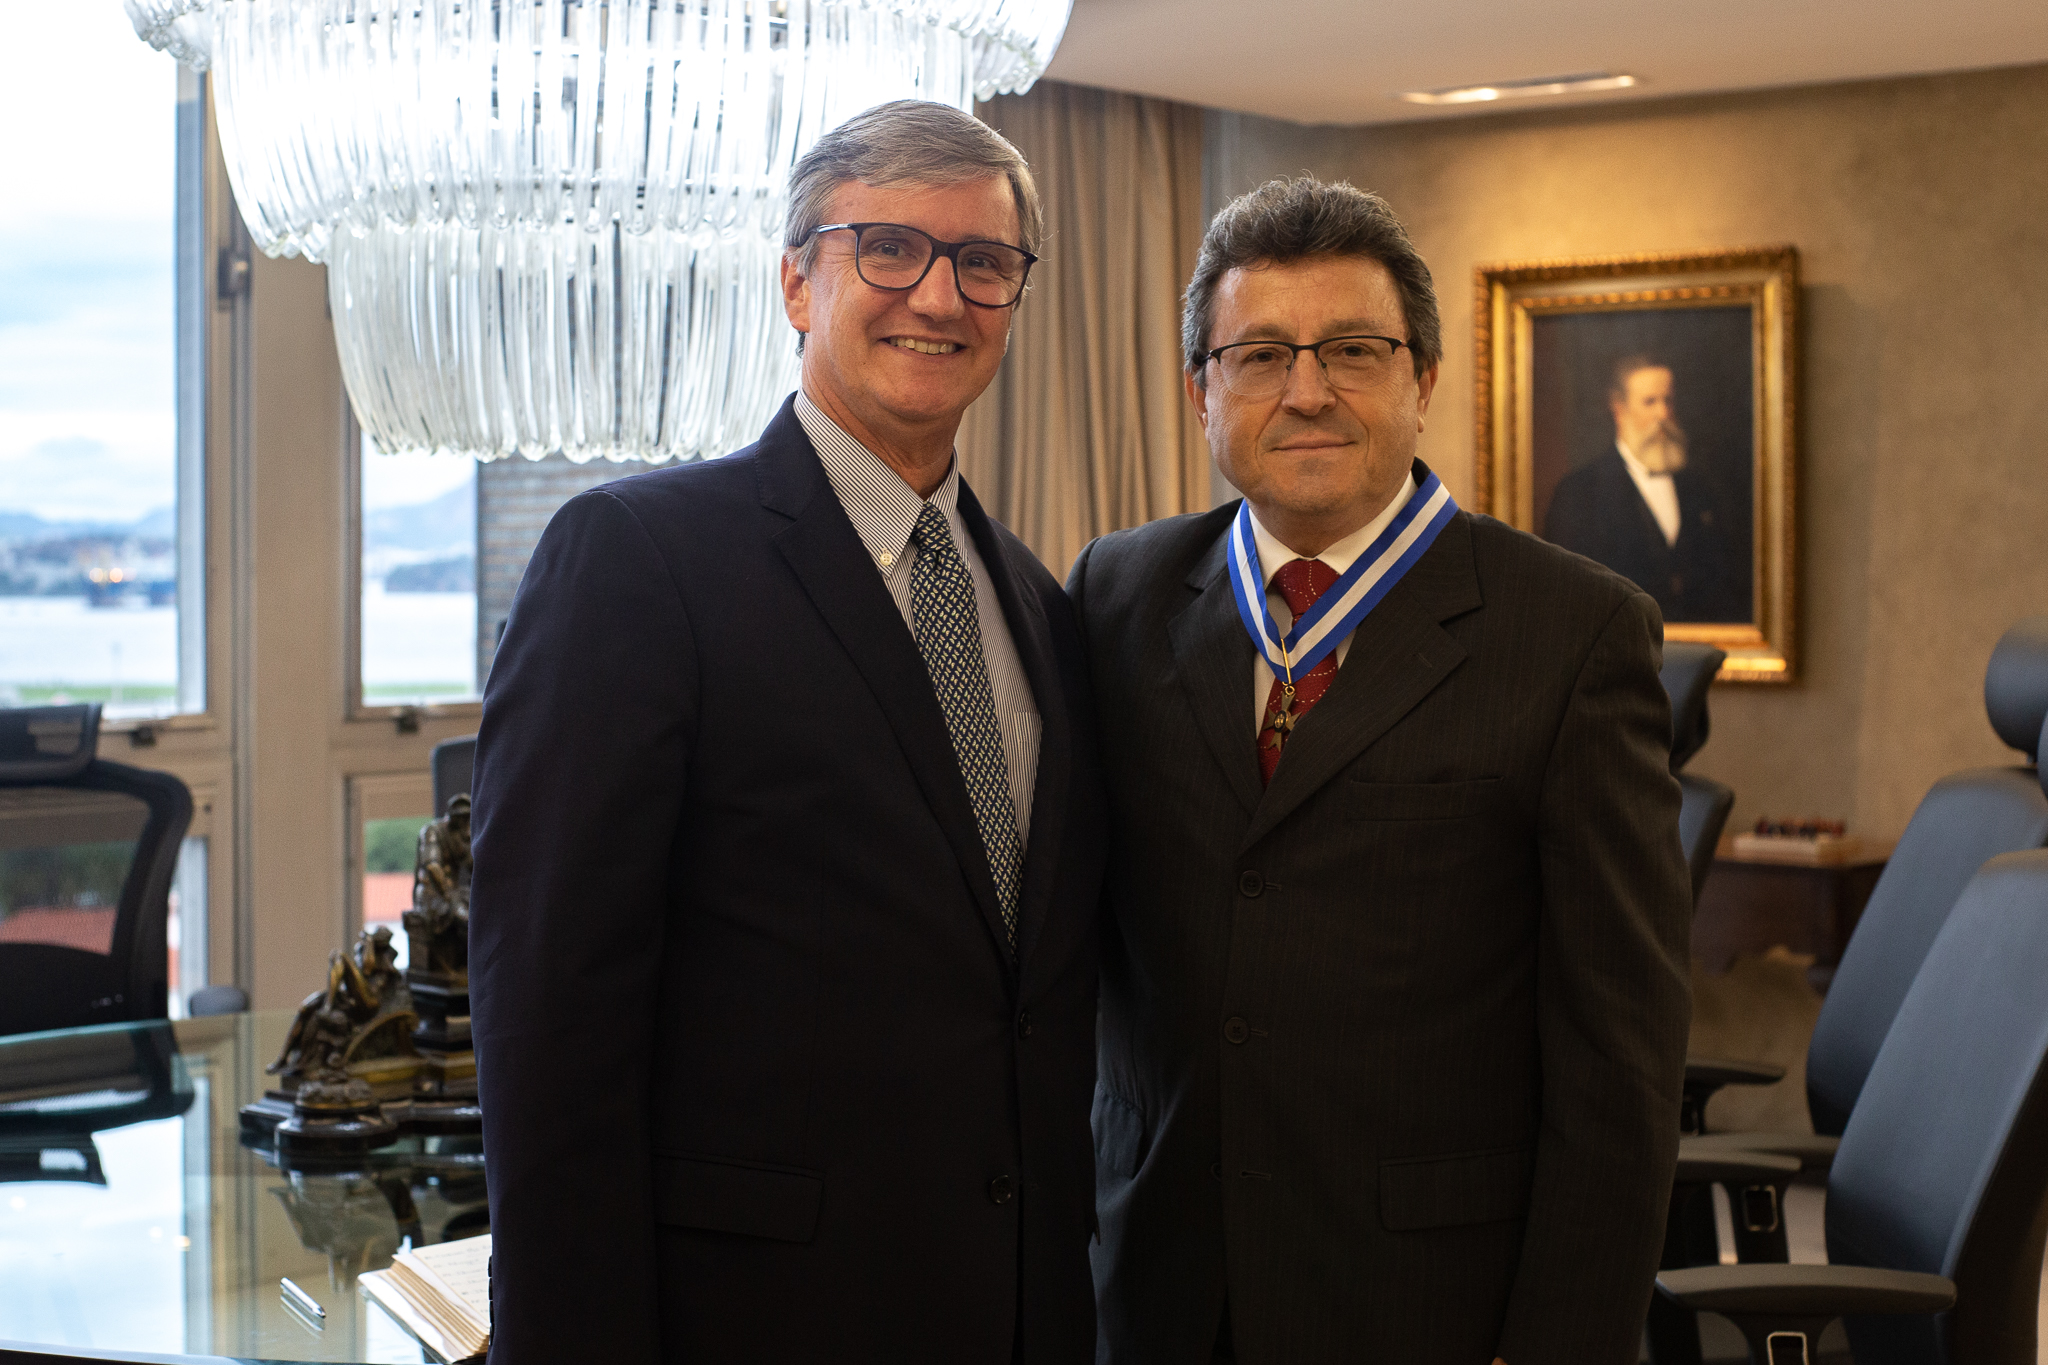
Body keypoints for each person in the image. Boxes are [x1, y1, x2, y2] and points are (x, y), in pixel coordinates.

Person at [470, 100, 1105, 1365]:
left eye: (983, 263)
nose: (939, 294)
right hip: (751, 1318)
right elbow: (548, 1024)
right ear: (796, 283)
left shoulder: (1039, 602)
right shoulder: (637, 561)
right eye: (886, 247)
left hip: (1021, 1311)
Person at [1067, 177, 1691, 1365]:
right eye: (1257, 355)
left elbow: (1620, 1057)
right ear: (1199, 391)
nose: (1305, 391)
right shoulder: (1114, 597)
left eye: (1351, 349)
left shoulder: (1571, 633)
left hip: (1424, 1301)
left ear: (1422, 380)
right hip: (1151, 1286)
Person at [1542, 355, 1749, 622]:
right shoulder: (1579, 493)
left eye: (1668, 401)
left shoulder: (1699, 489)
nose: (1663, 414)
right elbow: (1568, 596)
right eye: (1650, 402)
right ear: (1618, 408)